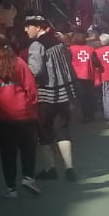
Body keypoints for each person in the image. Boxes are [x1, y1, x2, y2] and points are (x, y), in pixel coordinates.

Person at [0, 34, 41, 199]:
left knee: (7, 151)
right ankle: (28, 176)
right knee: (28, 146)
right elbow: (31, 88)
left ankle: (11, 188)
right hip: (23, 111)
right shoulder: (19, 62)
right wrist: (33, 106)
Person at [22, 16, 78, 182]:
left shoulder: (36, 45)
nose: (26, 30)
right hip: (64, 91)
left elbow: (35, 70)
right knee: (62, 127)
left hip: (46, 92)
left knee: (44, 130)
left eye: (28, 27)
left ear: (38, 27)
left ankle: (50, 168)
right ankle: (69, 167)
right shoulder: (59, 43)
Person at [68, 33, 101, 122]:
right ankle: (91, 114)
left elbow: (68, 62)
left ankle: (84, 115)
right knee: (89, 95)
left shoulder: (71, 49)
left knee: (81, 97)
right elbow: (95, 62)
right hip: (89, 75)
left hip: (77, 76)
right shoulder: (90, 49)